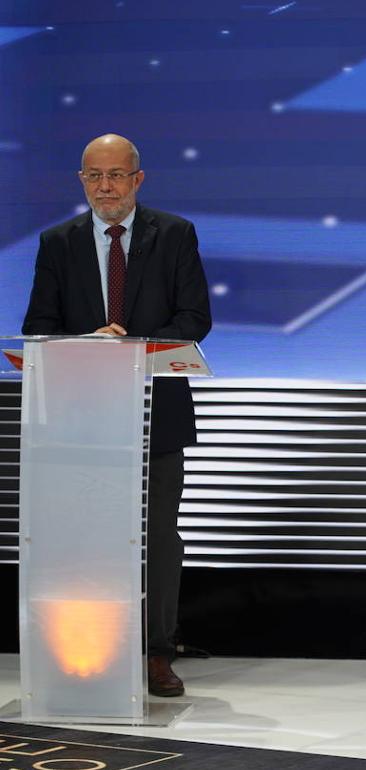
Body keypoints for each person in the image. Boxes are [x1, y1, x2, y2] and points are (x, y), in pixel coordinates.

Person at [22, 133, 212, 697]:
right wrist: (91, 344)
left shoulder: (174, 234)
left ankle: (157, 652)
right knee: (85, 537)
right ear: (82, 181)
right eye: (94, 176)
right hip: (82, 419)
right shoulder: (58, 242)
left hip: (158, 414)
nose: (105, 187)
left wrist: (128, 349)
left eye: (115, 175)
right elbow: (39, 326)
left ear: (137, 179)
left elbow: (194, 319)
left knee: (158, 538)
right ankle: (92, 651)